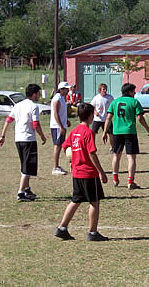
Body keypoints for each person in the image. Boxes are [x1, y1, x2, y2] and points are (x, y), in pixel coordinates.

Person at [54, 103, 109, 241]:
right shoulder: (88, 133)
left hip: (77, 172)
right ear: (90, 116)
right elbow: (92, 154)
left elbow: (65, 146)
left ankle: (62, 228)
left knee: (75, 200)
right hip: (89, 173)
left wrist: (72, 160)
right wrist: (101, 172)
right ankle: (93, 233)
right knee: (94, 202)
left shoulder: (74, 131)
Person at [0, 84, 47, 202]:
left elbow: (8, 120)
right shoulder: (33, 107)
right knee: (27, 167)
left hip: (18, 139)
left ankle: (27, 189)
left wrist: (2, 136)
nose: (39, 96)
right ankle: (21, 193)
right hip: (28, 139)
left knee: (25, 164)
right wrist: (42, 136)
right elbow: (35, 124)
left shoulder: (18, 105)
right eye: (38, 94)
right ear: (34, 94)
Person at [103, 83, 149, 189]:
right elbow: (140, 118)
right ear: (129, 92)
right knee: (131, 157)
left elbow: (108, 118)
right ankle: (130, 182)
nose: (135, 93)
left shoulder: (115, 102)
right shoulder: (134, 102)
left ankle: (115, 180)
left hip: (117, 132)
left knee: (116, 156)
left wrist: (104, 132)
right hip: (130, 132)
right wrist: (147, 128)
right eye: (133, 91)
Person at [50, 82, 71, 175]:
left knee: (60, 145)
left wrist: (66, 120)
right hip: (57, 126)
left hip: (61, 125)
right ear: (61, 89)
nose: (68, 90)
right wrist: (60, 126)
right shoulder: (57, 98)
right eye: (66, 89)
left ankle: (57, 166)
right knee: (57, 145)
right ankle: (55, 167)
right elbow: (55, 113)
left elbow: (62, 112)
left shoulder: (62, 98)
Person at [90, 83, 115, 151]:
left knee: (111, 134)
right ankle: (91, 147)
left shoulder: (110, 97)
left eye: (105, 89)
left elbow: (114, 105)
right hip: (97, 119)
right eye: (103, 89)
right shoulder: (96, 97)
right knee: (93, 134)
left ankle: (112, 147)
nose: (105, 90)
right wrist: (95, 112)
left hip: (107, 119)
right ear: (100, 90)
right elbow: (91, 106)